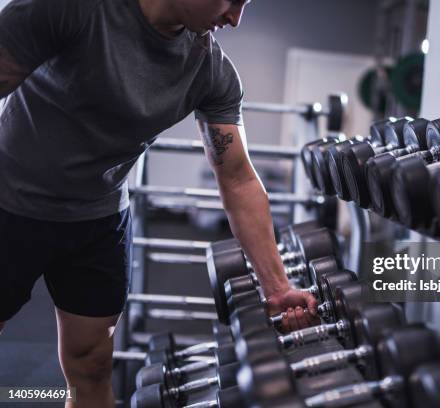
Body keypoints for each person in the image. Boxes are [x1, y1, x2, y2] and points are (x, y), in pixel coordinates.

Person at [0, 0, 318, 406]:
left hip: (97, 222)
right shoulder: (72, 9)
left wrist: (277, 288)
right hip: (10, 207)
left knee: (92, 366)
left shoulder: (209, 70)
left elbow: (238, 180)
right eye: (231, 0)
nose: (235, 18)